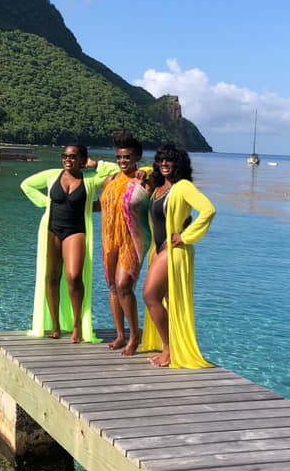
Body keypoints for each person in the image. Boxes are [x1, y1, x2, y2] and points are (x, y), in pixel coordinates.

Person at [21, 143, 117, 343]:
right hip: (51, 229)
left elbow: (115, 171)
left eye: (73, 156)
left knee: (73, 277)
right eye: (64, 155)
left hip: (76, 231)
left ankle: (76, 325)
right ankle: (55, 325)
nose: (67, 159)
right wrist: (45, 203)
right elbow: (26, 184)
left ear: (82, 159)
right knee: (51, 277)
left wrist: (95, 163)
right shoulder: (52, 175)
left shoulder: (90, 179)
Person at [139, 143, 216, 368]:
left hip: (174, 250)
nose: (164, 163)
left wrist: (186, 236)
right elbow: (145, 170)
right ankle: (173, 347)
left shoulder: (182, 187)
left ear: (178, 163)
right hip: (159, 249)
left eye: (169, 160)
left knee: (150, 295)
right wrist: (144, 171)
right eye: (161, 159)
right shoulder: (159, 187)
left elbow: (208, 209)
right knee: (167, 301)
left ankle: (169, 348)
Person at [98, 131, 154, 356]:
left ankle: (134, 335)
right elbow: (101, 204)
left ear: (137, 158)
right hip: (109, 237)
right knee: (112, 286)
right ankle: (120, 335)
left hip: (132, 238)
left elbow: (147, 196)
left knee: (123, 286)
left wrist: (145, 175)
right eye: (119, 158)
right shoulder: (111, 179)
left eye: (127, 158)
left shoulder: (143, 180)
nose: (122, 161)